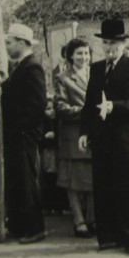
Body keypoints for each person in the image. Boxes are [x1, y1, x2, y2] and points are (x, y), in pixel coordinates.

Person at [79, 19, 129, 256]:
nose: (109, 46)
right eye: (106, 42)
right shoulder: (97, 68)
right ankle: (109, 235)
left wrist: (116, 107)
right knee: (103, 183)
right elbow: (89, 104)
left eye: (114, 42)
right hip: (102, 137)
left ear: (123, 43)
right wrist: (84, 132)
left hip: (126, 136)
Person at [1, 23, 48, 244]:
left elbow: (37, 104)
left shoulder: (32, 67)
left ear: (21, 43)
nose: (6, 47)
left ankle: (34, 227)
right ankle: (19, 224)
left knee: (27, 180)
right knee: (17, 180)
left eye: (9, 42)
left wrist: (23, 128)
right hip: (16, 134)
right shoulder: (20, 66)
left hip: (24, 134)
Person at [54, 38, 94, 238]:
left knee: (93, 178)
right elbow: (60, 107)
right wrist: (86, 111)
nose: (83, 57)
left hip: (94, 134)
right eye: (79, 53)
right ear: (71, 56)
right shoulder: (63, 78)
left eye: (86, 53)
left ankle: (92, 219)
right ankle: (79, 221)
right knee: (73, 181)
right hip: (73, 134)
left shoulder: (97, 74)